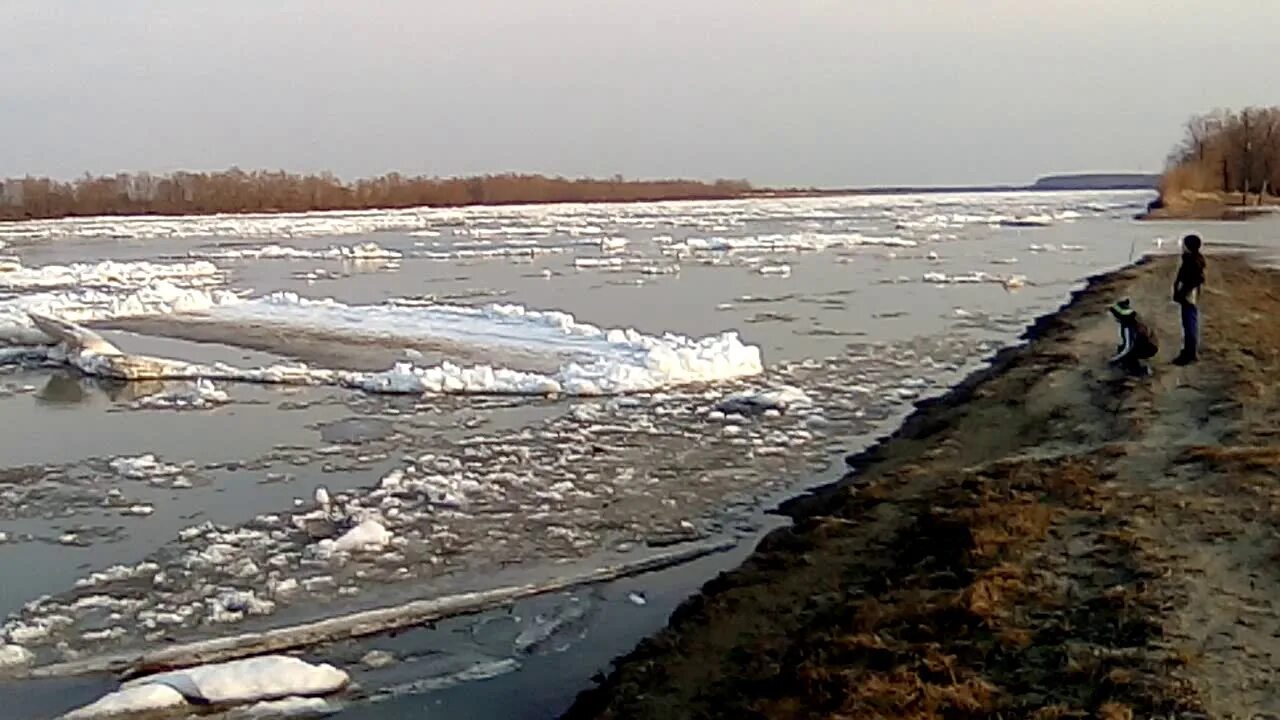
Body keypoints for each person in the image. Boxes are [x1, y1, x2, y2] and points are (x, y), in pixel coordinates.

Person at [1172, 234, 1206, 365]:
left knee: (1189, 325)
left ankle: (1189, 354)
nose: (1181, 246)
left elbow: (1194, 280)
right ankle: (1188, 352)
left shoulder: (1192, 261)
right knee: (1188, 324)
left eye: (1184, 244)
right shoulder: (1191, 259)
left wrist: (1181, 293)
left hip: (1188, 296)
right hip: (1188, 295)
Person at [1109, 298, 1158, 376]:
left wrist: (1114, 359)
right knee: (1123, 349)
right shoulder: (1135, 320)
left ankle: (1141, 371)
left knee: (1127, 354)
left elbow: (1128, 348)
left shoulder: (1127, 328)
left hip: (1149, 347)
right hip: (1152, 343)